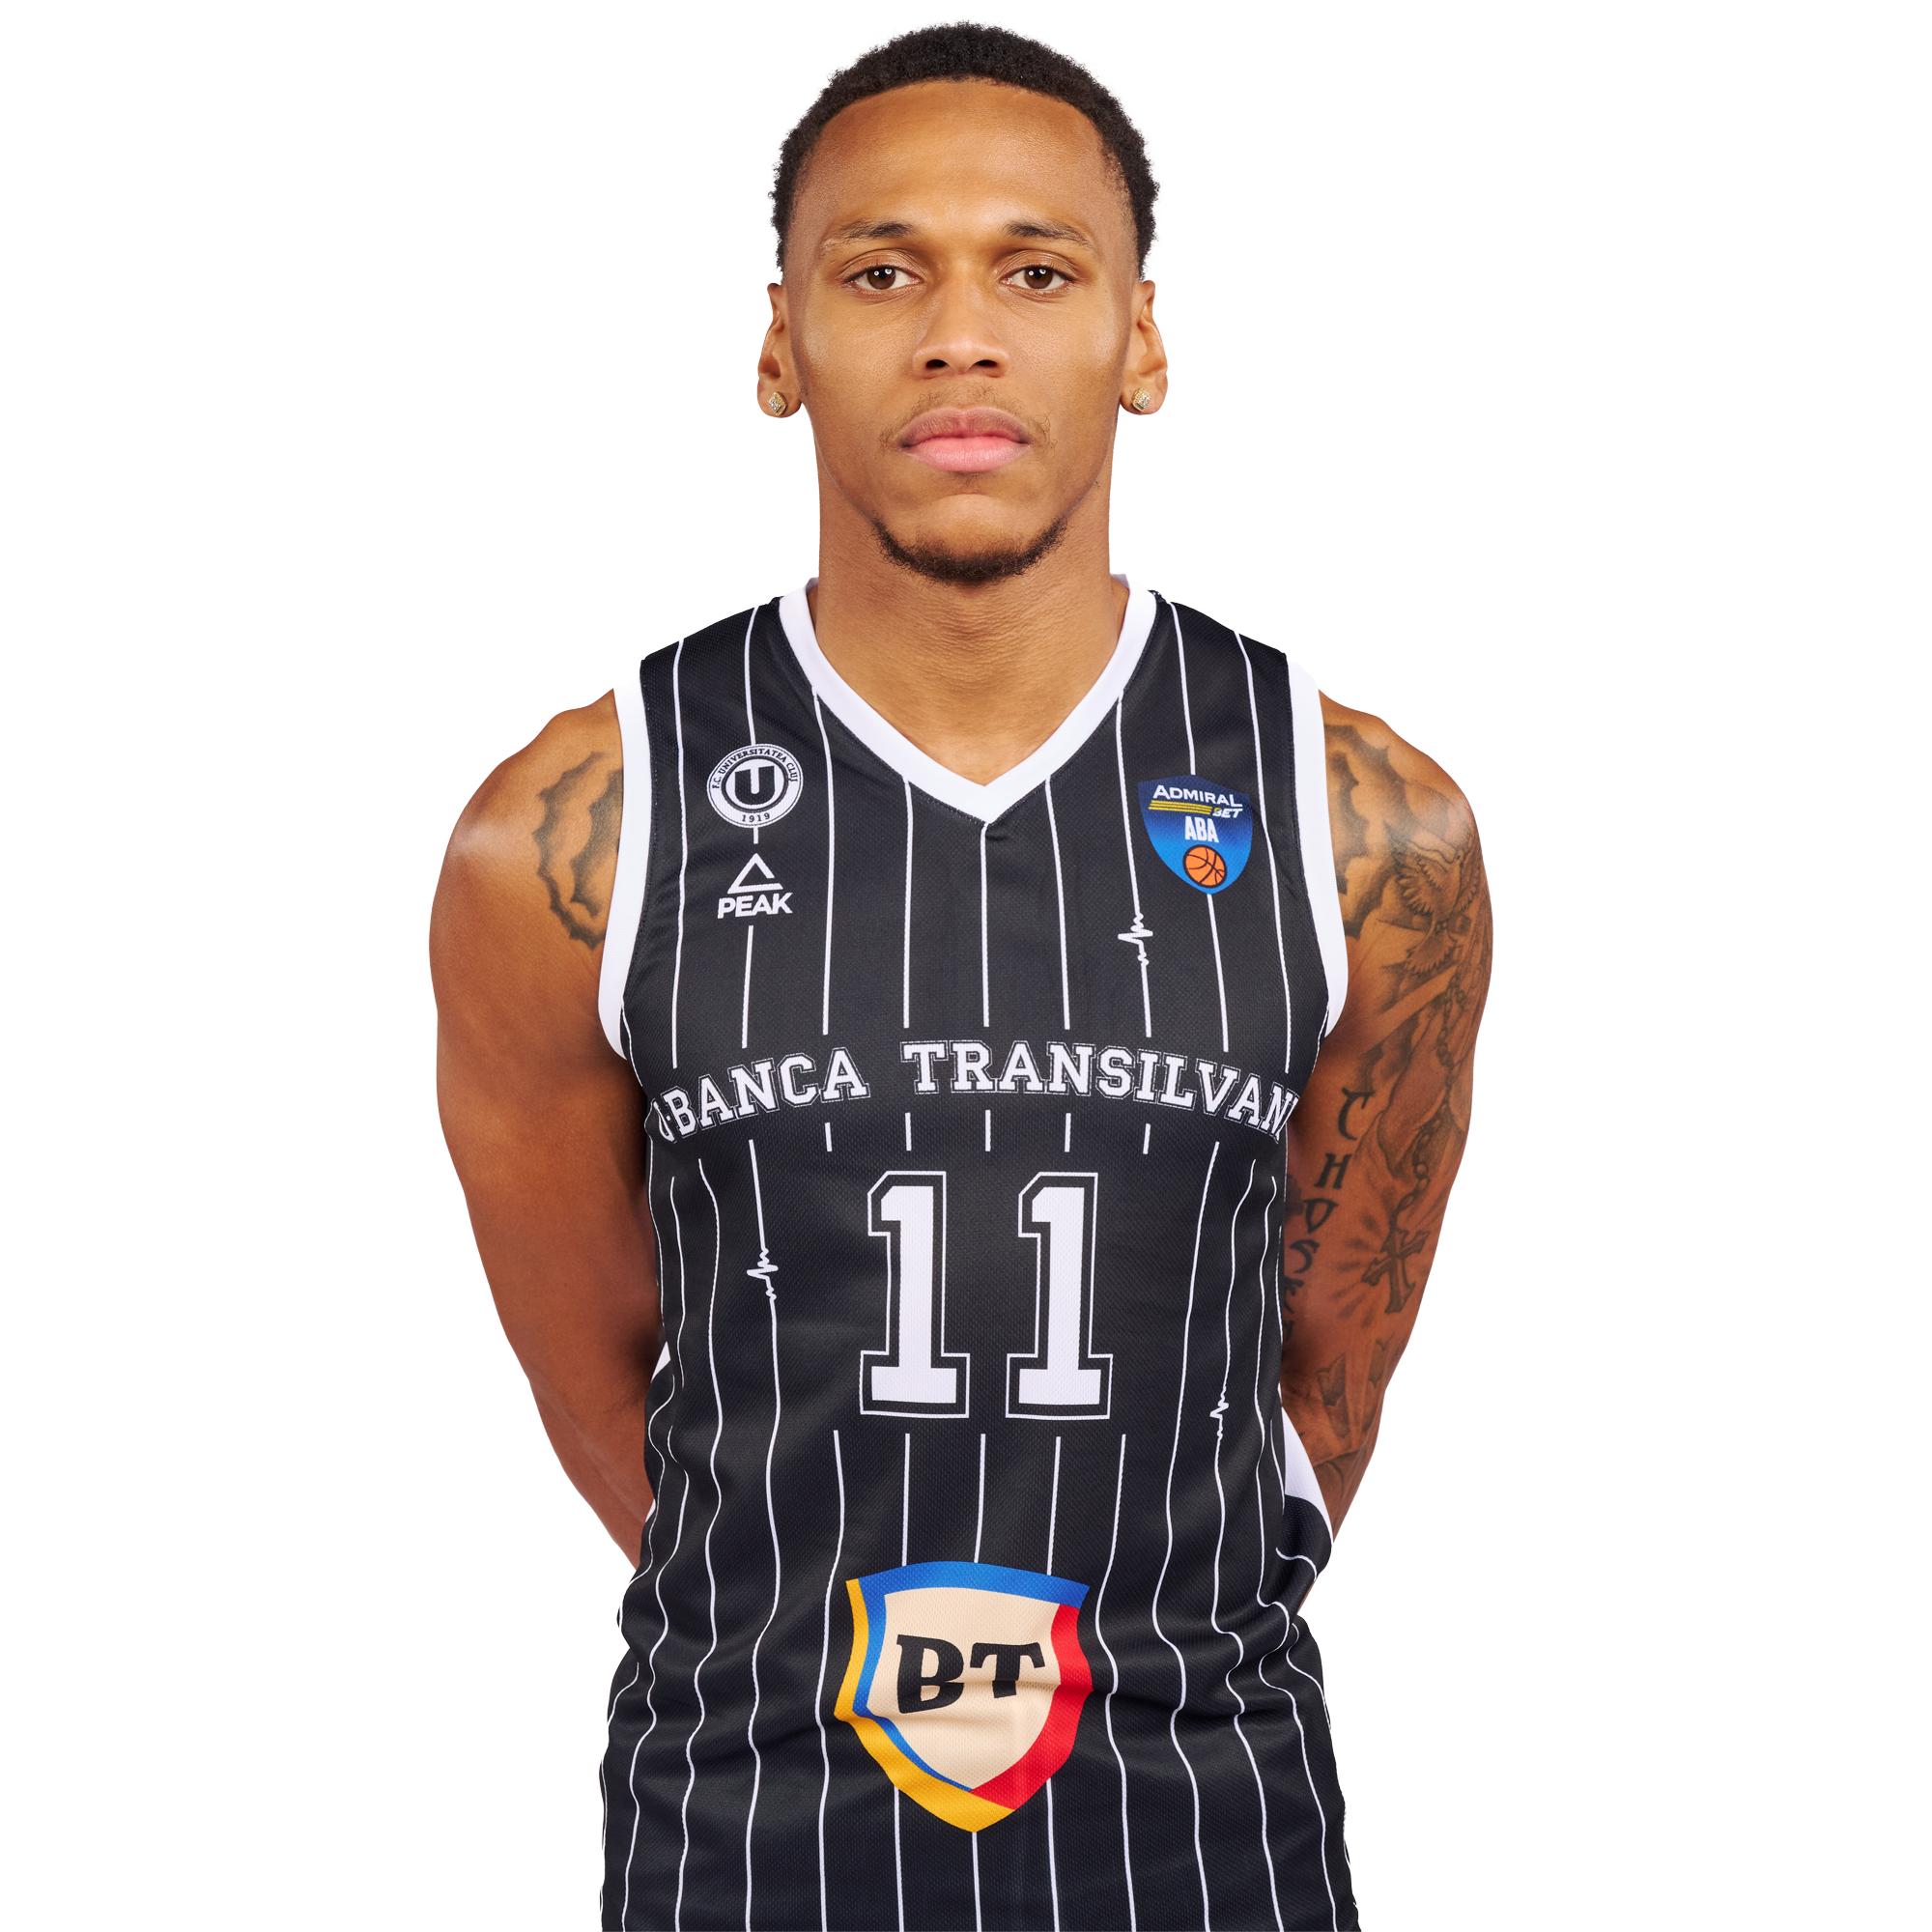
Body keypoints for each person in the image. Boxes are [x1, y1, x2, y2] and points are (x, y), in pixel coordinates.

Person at [432, 20, 1491, 1930]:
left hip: (1207, 1840)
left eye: (1036, 271)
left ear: (1140, 339)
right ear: (780, 343)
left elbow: (1327, 1369)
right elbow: (602, 1381)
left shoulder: (1365, 829)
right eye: (880, 273)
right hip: (746, 1838)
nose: (959, 335)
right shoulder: (571, 838)